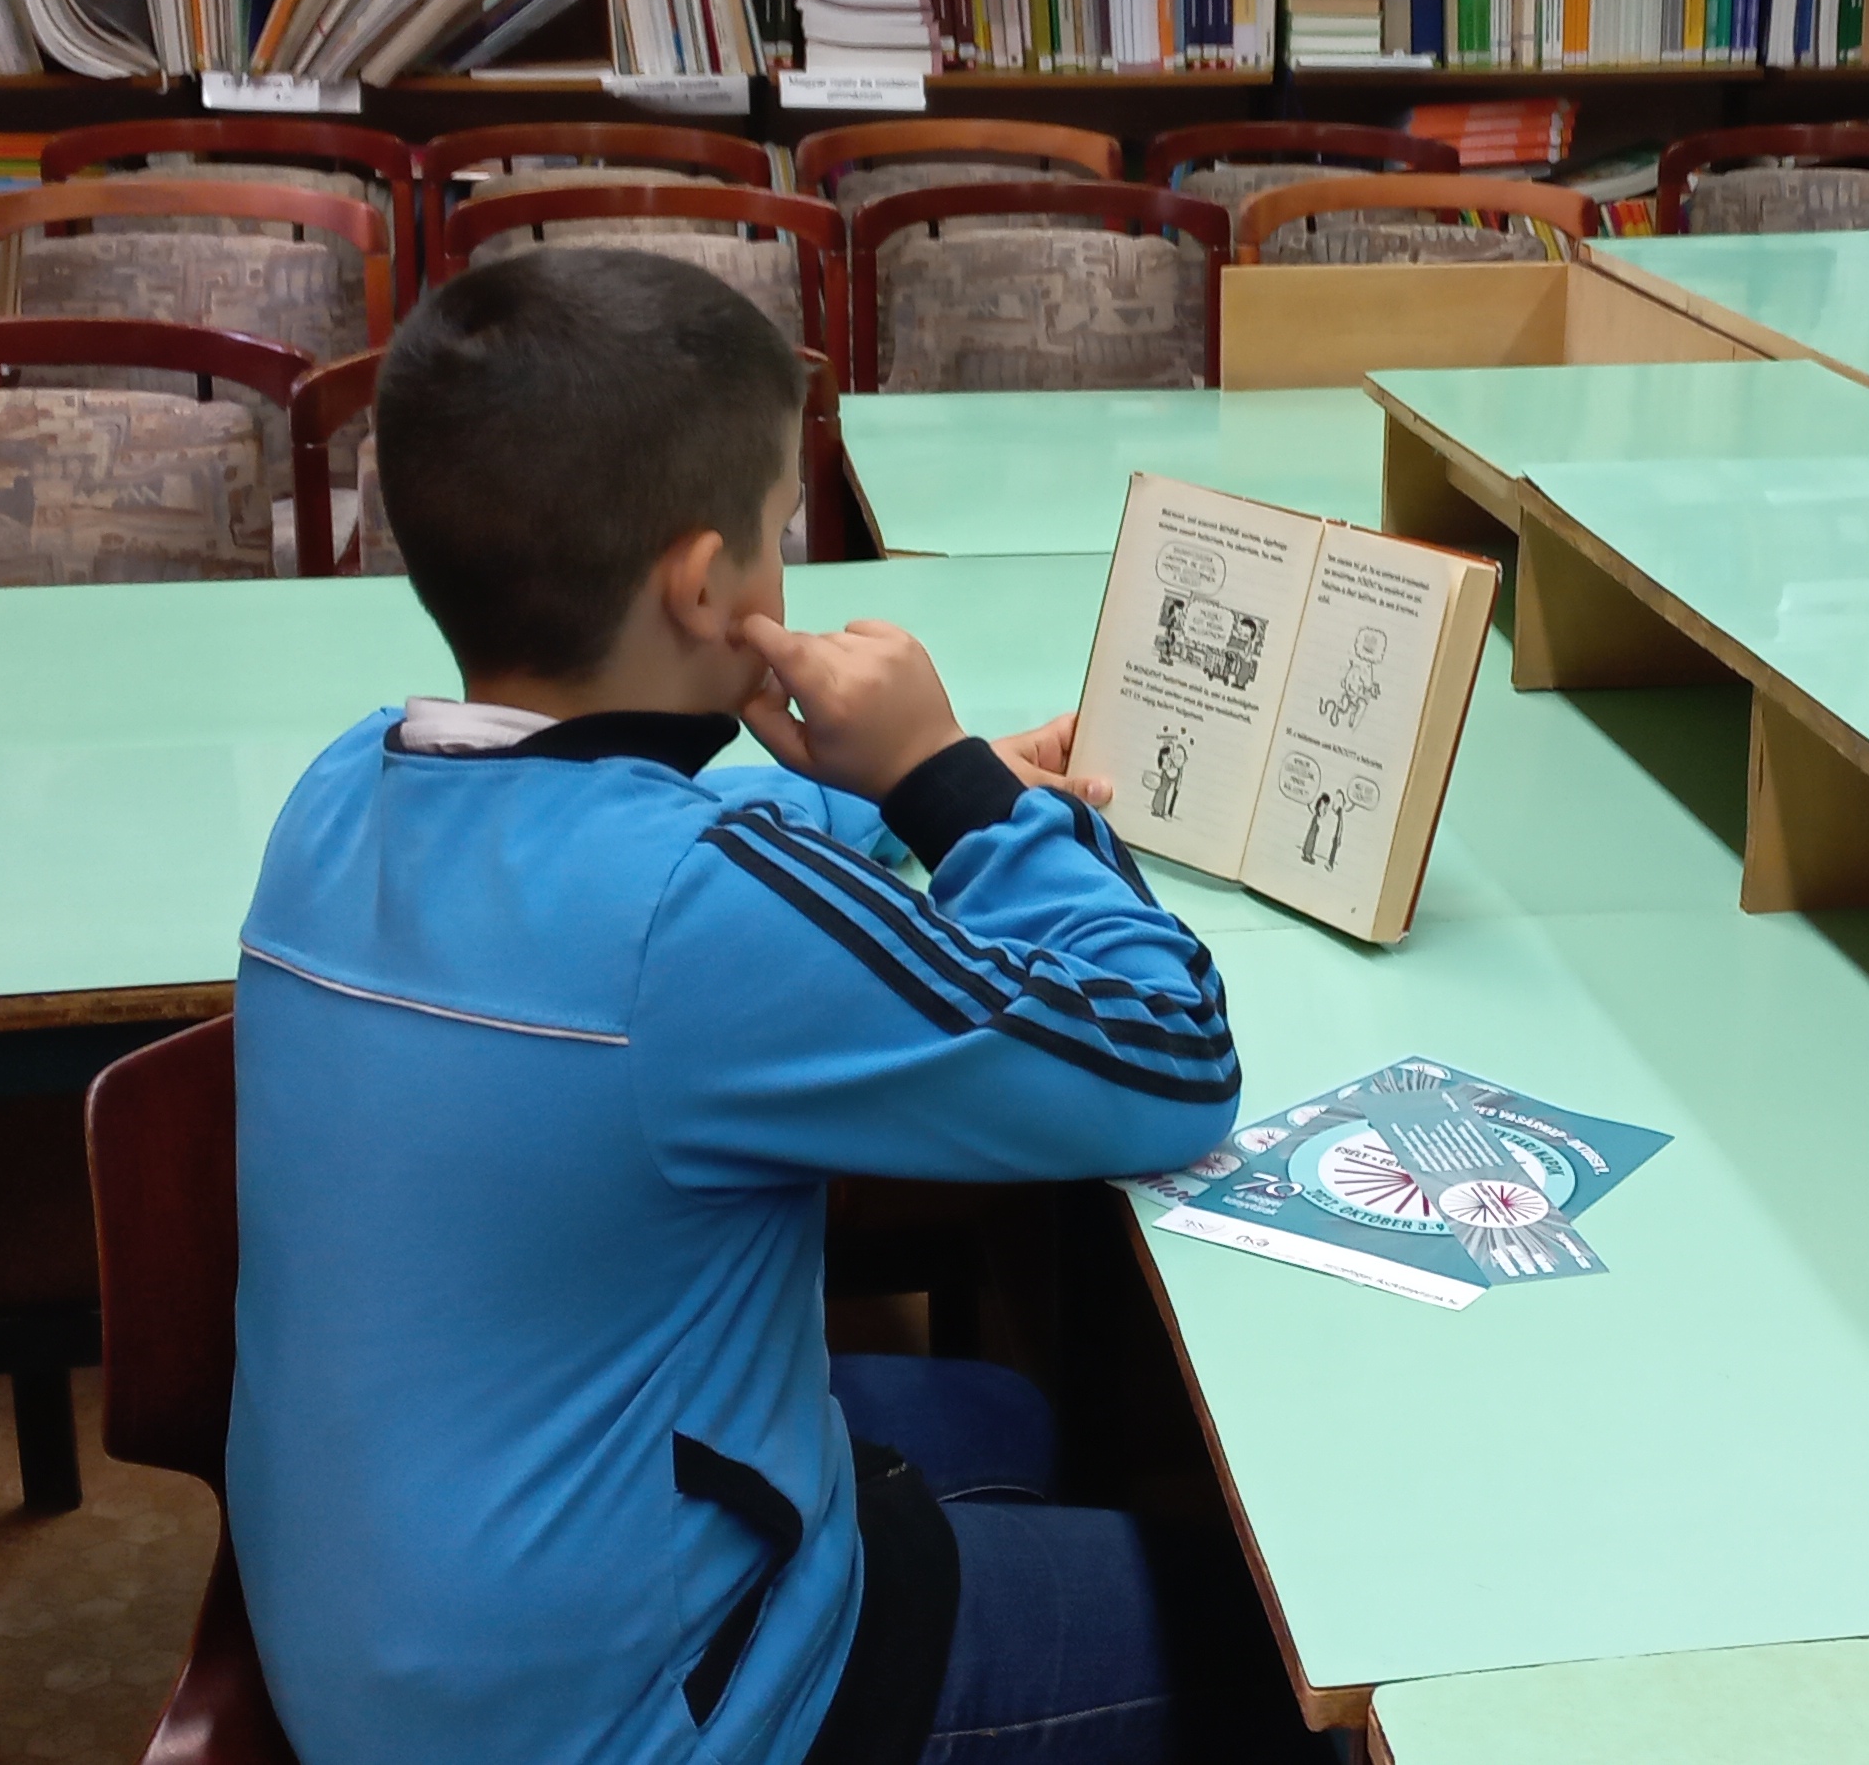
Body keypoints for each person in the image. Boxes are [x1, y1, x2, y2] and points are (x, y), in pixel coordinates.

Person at [225, 246, 1249, 1765]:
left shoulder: (342, 786)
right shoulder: (692, 918)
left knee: (1009, 1422)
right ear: (707, 587)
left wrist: (919, 793)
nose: (788, 574)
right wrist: (951, 790)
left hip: (394, 1654)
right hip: (633, 1723)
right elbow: (1169, 1058)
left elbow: (650, 853)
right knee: (1261, 1648)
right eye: (780, 535)